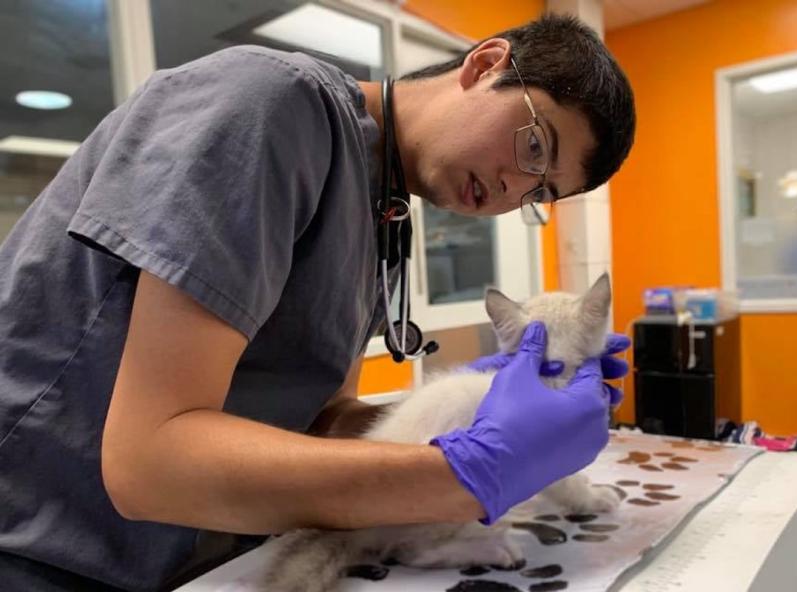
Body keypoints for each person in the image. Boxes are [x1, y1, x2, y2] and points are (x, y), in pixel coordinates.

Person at [0, 13, 635, 592]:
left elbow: (315, 420)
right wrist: (466, 473)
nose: (511, 189)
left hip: (191, 563)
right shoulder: (269, 105)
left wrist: (472, 415)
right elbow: (150, 465)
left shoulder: (383, 211)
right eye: (533, 147)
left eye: (539, 194)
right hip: (42, 554)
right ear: (485, 64)